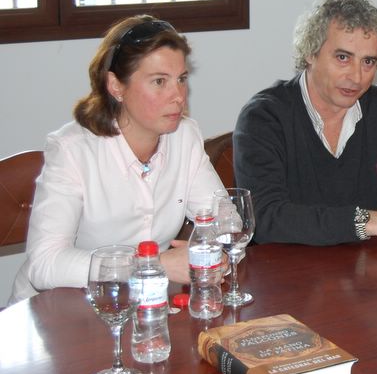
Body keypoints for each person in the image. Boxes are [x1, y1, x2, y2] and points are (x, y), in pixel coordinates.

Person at [10, 15, 224, 305]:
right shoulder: (72, 149)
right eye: (159, 81)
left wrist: (212, 249)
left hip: (140, 304)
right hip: (58, 311)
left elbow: (225, 222)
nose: (178, 96)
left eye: (181, 79)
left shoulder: (185, 136)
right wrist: (153, 264)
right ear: (115, 86)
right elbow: (45, 264)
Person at [234, 0, 377, 247]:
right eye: (343, 58)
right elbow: (265, 218)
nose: (356, 76)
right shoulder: (263, 117)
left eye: (368, 62)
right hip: (285, 268)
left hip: (364, 266)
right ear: (310, 53)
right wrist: (370, 222)